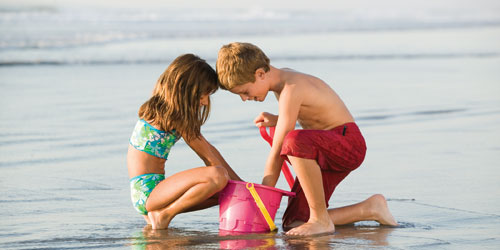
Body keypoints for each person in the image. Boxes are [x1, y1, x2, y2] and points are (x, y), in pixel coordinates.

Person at [216, 42, 397, 236]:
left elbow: (280, 147)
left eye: (245, 92)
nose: (245, 99)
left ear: (260, 74)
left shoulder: (291, 87)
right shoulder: (282, 83)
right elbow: (311, 116)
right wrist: (278, 120)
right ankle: (371, 208)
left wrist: (262, 193)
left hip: (348, 143)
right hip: (324, 147)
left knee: (293, 141)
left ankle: (320, 219)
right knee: (295, 222)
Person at [128, 54, 241, 230]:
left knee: (229, 191)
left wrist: (242, 185)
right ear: (186, 90)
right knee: (218, 176)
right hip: (150, 193)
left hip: (150, 192)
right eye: (203, 95)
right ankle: (164, 214)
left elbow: (210, 149)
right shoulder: (176, 116)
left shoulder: (161, 110)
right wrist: (244, 186)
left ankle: (161, 213)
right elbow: (208, 157)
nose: (204, 102)